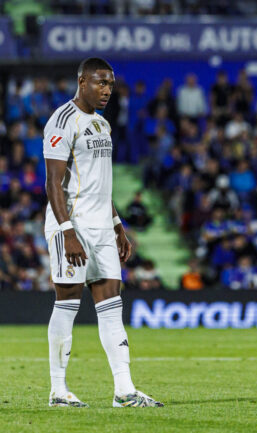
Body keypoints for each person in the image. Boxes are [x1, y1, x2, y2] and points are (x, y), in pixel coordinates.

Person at [42, 58, 162, 408]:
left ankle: (124, 391)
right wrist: (67, 231)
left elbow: (99, 184)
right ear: (82, 82)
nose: (107, 90)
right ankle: (58, 390)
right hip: (72, 225)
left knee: (112, 305)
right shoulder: (62, 120)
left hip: (102, 226)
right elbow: (53, 183)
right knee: (67, 302)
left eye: (110, 83)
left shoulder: (102, 124)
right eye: (100, 82)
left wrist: (117, 224)